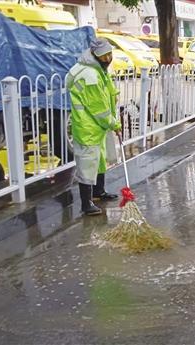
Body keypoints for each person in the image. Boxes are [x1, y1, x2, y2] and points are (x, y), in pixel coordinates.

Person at [68, 38, 121, 216]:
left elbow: (108, 92)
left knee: (99, 159)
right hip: (88, 126)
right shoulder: (89, 76)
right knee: (88, 163)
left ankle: (99, 191)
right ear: (94, 56)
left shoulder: (98, 69)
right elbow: (99, 108)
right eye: (104, 56)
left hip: (97, 126)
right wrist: (114, 124)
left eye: (109, 55)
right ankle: (86, 202)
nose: (108, 59)